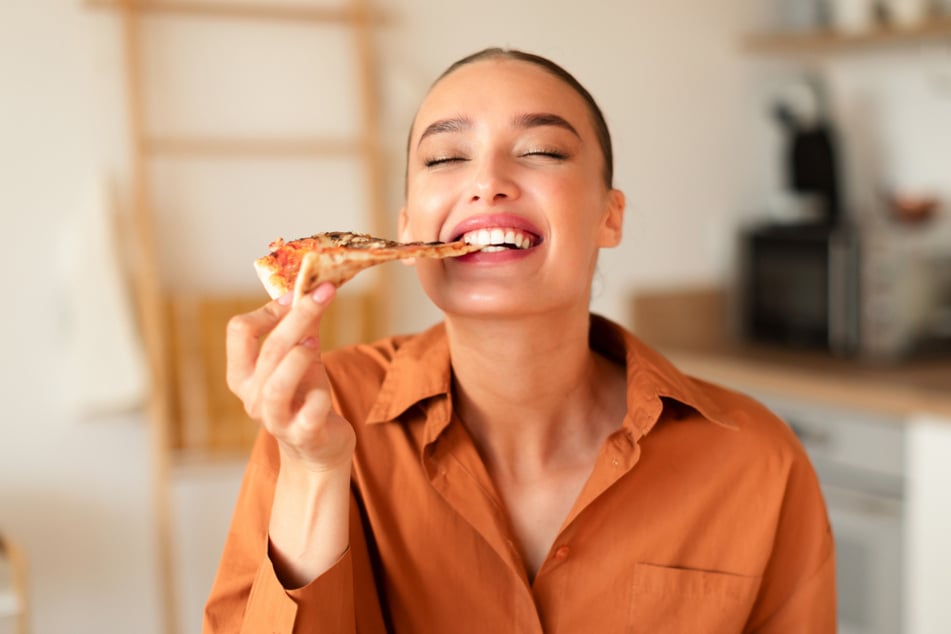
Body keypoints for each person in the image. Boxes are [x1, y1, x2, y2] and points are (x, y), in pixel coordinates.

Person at [204, 47, 835, 633]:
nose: (489, 181)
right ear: (406, 227)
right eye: (446, 158)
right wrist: (313, 472)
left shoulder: (757, 459)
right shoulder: (317, 414)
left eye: (541, 151)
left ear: (608, 215)